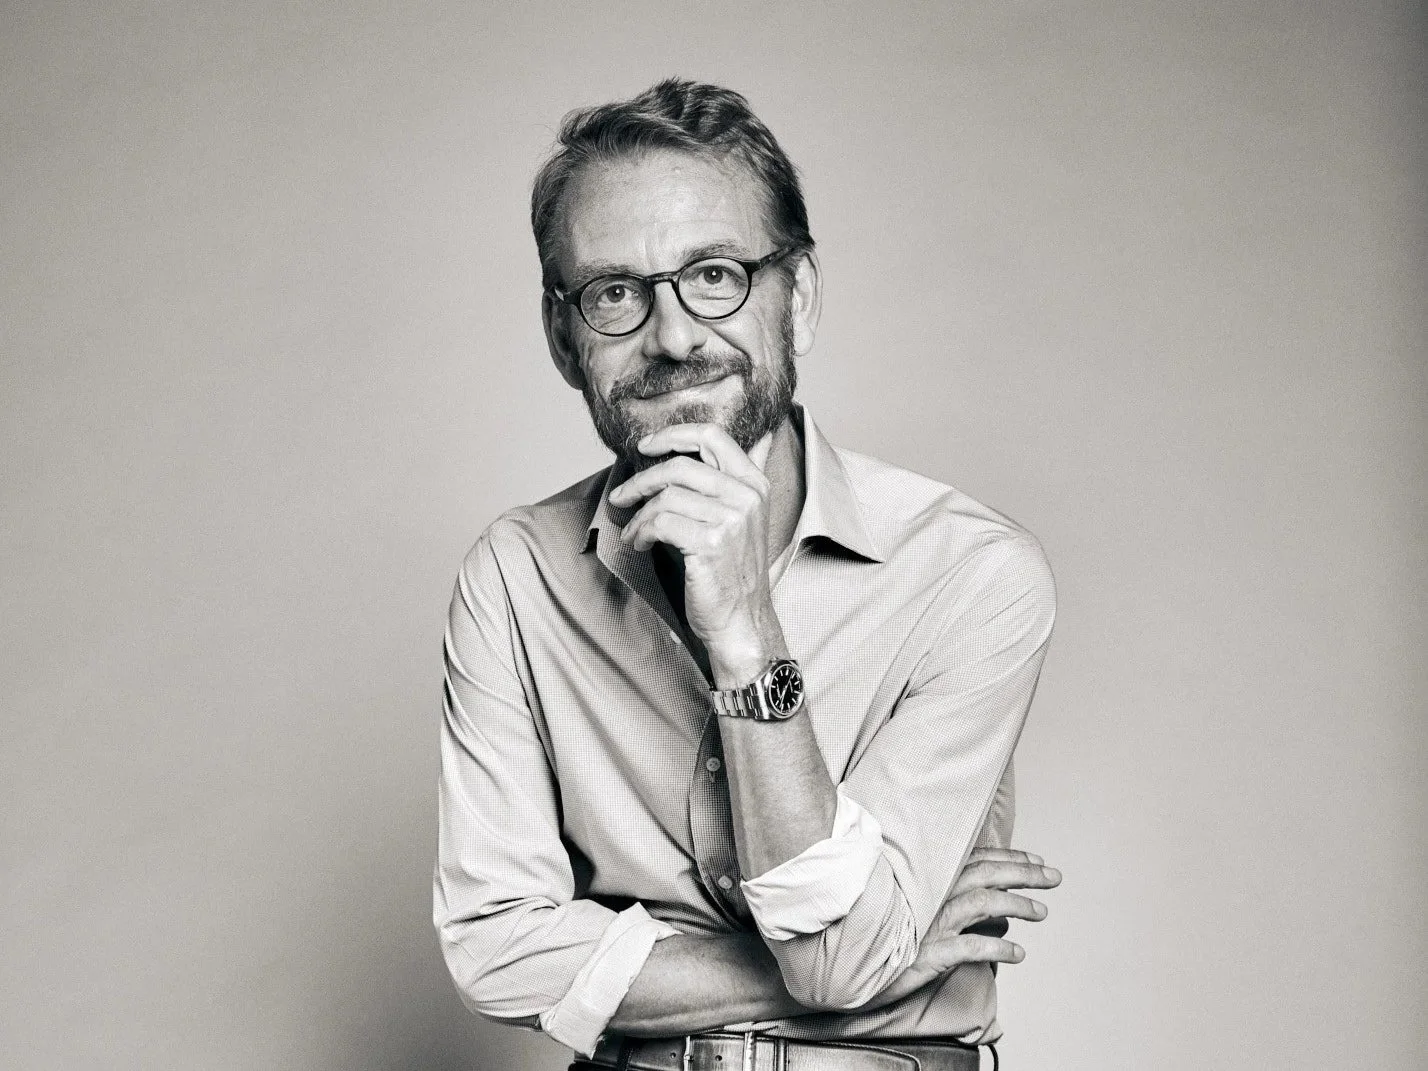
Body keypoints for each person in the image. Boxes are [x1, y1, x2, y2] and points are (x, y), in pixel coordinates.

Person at [435, 78, 1061, 1071]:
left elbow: (839, 956)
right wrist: (883, 961)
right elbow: (495, 951)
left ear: (797, 299)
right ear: (565, 339)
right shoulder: (517, 578)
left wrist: (745, 631)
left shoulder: (970, 574)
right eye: (614, 294)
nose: (675, 337)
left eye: (715, 276)